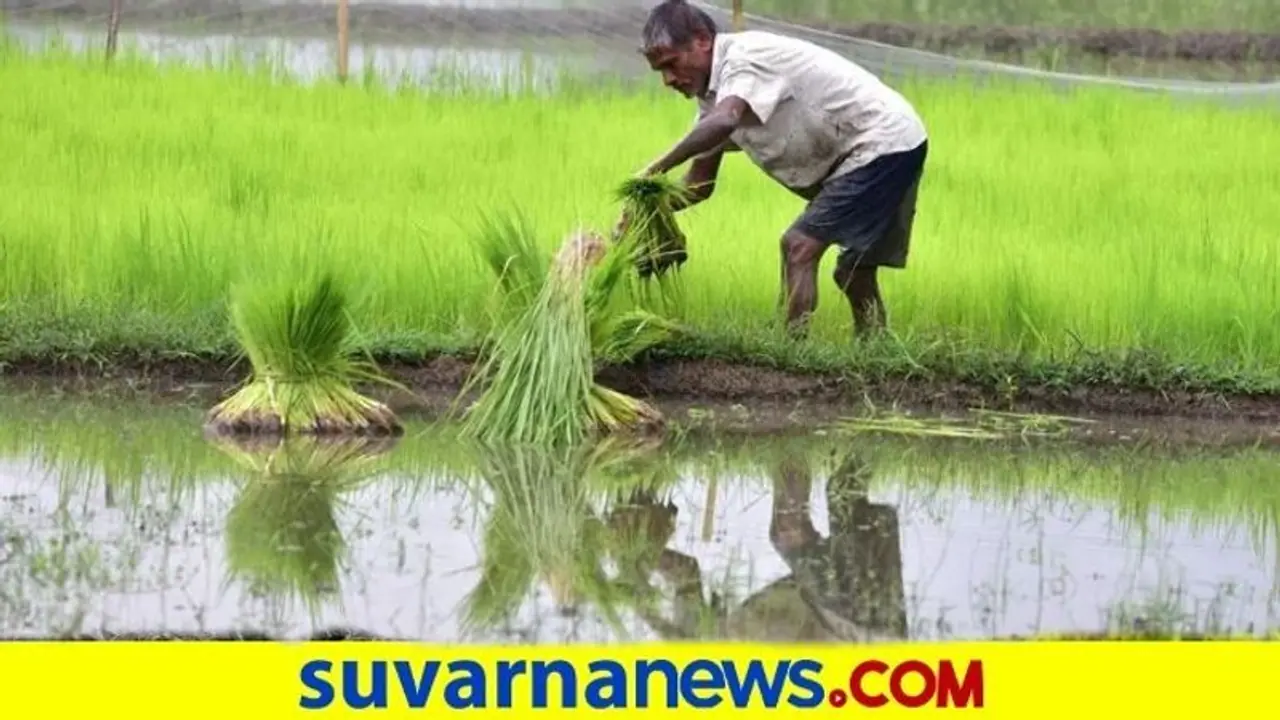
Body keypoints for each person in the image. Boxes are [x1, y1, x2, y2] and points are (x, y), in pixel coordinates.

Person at [618, 0, 929, 339]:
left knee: (798, 246)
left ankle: (789, 350)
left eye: (671, 64)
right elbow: (699, 184)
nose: (667, 80)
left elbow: (725, 121)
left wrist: (651, 171)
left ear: (702, 40)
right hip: (874, 149)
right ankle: (877, 350)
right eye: (659, 71)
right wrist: (648, 207)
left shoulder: (744, 60)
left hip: (882, 142)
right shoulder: (714, 100)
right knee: (853, 270)